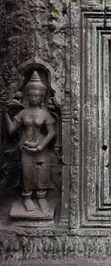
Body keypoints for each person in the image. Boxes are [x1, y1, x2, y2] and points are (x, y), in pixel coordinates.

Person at [4, 71, 56, 212]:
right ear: (27, 95)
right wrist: (5, 113)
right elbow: (11, 130)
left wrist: (40, 147)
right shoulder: (23, 113)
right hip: (25, 147)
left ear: (42, 97)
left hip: (41, 147)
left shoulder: (45, 113)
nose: (34, 98)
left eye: (37, 96)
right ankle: (27, 197)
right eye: (31, 95)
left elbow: (52, 132)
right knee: (27, 173)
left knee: (42, 172)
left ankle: (41, 197)